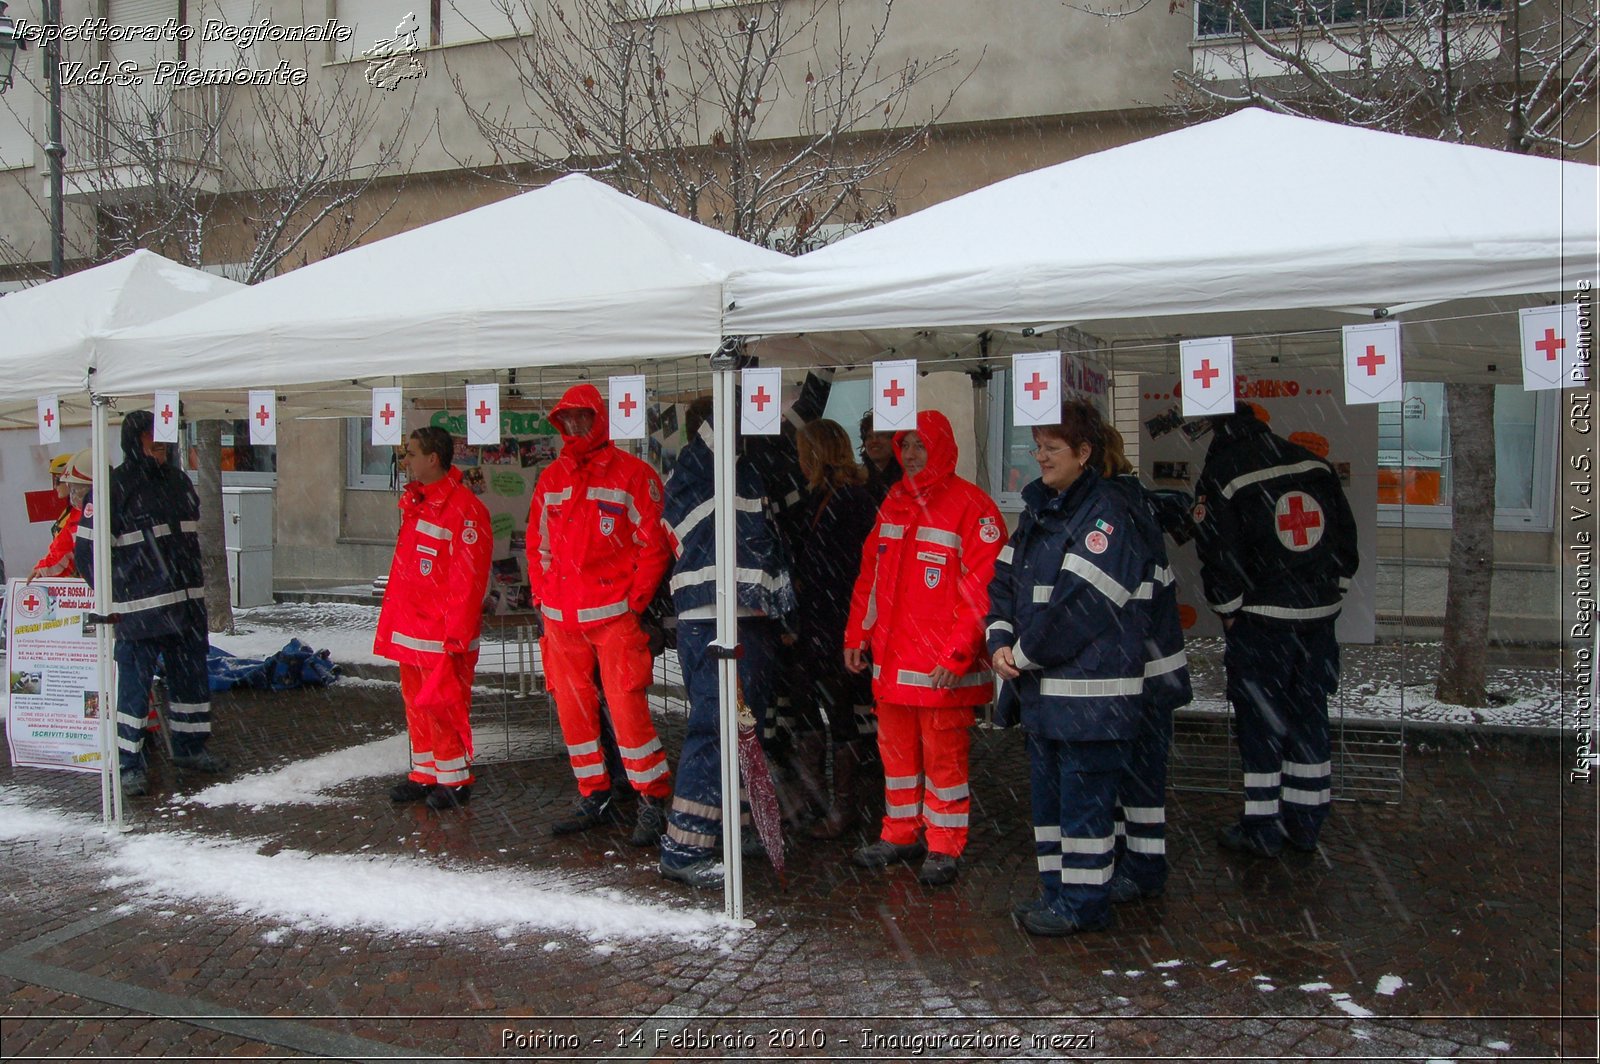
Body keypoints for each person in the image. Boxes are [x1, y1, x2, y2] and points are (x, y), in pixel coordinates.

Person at [987, 399, 1158, 936]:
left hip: (1092, 700)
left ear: (1084, 452)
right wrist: (997, 639)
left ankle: (1083, 906)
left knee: (1085, 811)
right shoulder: (1042, 511)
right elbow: (1003, 585)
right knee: (1051, 808)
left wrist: (1024, 652)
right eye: (1036, 446)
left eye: (1051, 448)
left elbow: (1084, 604)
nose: (1040, 457)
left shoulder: (1107, 513)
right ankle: (1057, 895)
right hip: (1046, 698)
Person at [844, 410, 1006, 886]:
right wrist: (857, 634)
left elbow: (981, 590)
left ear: (940, 446)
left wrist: (956, 655)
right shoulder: (894, 500)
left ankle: (944, 844)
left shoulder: (972, 507)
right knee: (895, 754)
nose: (911, 455)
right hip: (894, 662)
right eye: (905, 445)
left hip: (939, 666)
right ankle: (900, 832)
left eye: (920, 445)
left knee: (944, 758)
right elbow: (869, 578)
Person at [1192, 404, 1358, 857]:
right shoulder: (1312, 464)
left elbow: (1218, 550)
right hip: (1318, 619)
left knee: (1262, 724)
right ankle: (1306, 824)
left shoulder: (1225, 473)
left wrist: (1228, 610)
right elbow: (1346, 540)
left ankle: (1262, 827)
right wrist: (1331, 591)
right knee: (1310, 716)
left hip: (1262, 621)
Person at [525, 383, 673, 844]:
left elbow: (655, 545)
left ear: (598, 419)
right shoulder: (552, 478)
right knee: (574, 712)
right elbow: (538, 545)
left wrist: (634, 602)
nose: (573, 426)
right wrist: (544, 598)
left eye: (581, 418)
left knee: (629, 712)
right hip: (563, 621)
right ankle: (595, 792)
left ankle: (652, 796)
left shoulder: (633, 475)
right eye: (565, 419)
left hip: (613, 618)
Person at [657, 398, 795, 888]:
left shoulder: (742, 473)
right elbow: (730, 407)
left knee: (741, 727)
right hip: (714, 618)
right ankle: (683, 846)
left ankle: (734, 830)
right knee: (716, 730)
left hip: (744, 616)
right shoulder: (698, 465)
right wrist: (747, 360)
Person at [75, 410, 225, 798]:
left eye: (164, 434)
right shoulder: (112, 487)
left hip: (186, 610)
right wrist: (116, 598)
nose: (160, 441)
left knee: (191, 683)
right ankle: (129, 764)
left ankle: (191, 749)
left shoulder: (179, 482)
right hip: (139, 613)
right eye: (151, 435)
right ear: (133, 439)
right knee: (133, 692)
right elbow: (88, 555)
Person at [373, 426, 494, 810]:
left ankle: (455, 779)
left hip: (441, 633)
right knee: (417, 704)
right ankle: (426, 773)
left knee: (443, 705)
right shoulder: (420, 501)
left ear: (433, 458)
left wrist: (456, 635)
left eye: (410, 454)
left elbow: (468, 580)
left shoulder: (464, 509)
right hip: (414, 628)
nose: (404, 461)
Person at [1097, 425, 1193, 904]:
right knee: (1141, 775)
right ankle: (1136, 862)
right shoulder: (1135, 502)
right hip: (1153, 668)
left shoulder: (1112, 512)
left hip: (1137, 671)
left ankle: (1139, 867)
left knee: (1133, 777)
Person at [788, 418, 880, 838]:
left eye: (804, 454)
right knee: (813, 714)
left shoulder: (849, 500)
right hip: (820, 625)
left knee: (841, 717)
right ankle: (821, 803)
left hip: (835, 626)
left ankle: (842, 809)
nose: (799, 462)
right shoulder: (827, 497)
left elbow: (846, 570)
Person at [31, 449, 92, 580]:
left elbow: (66, 549)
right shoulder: (72, 513)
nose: (55, 486)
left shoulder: (81, 514)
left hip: (97, 581)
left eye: (58, 481)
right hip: (88, 579)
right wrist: (44, 569)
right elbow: (64, 546)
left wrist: (44, 569)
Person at [857, 410, 902, 503]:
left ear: (894, 439)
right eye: (869, 437)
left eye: (881, 435)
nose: (874, 441)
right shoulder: (857, 478)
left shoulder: (905, 476)